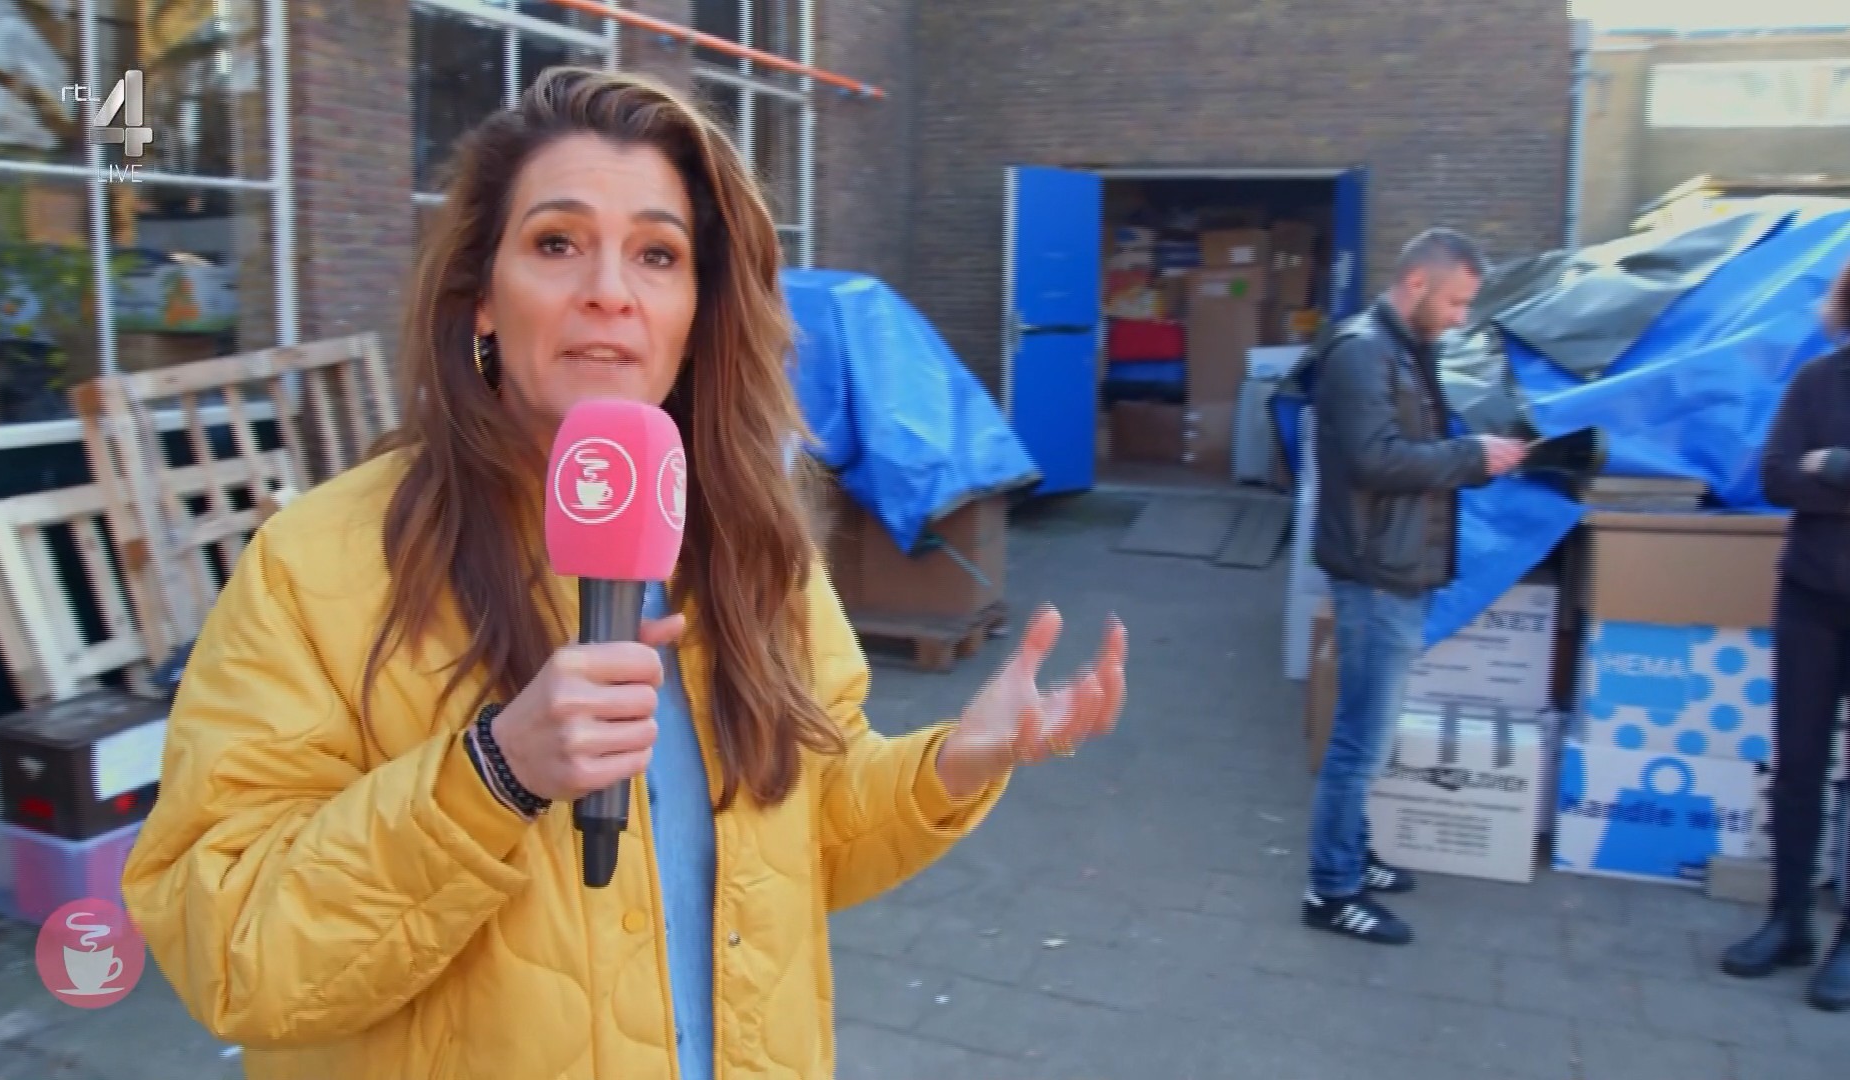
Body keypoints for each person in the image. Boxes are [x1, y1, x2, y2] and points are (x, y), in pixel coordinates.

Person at [121, 67, 1128, 1079]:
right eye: (556, 243)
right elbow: (233, 953)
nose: (610, 290)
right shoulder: (314, 567)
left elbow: (809, 833)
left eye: (657, 254)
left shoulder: (752, 546)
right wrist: (493, 775)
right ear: (481, 299)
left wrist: (954, 765)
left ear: (695, 311)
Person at [1301, 228, 1526, 945]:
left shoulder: (1404, 349)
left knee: (1368, 730)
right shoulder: (1361, 351)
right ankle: (1331, 890)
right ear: (1418, 283)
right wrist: (1470, 456)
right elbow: (1376, 460)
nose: (1462, 317)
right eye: (1456, 302)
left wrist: (1478, 451)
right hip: (1376, 574)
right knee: (1360, 742)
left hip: (1399, 568)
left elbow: (1410, 452)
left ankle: (1352, 854)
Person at [1721, 256, 1850, 1012]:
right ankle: (1789, 919)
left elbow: (1807, 475)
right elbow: (1774, 478)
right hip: (1809, 596)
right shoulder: (1816, 382)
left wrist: (1833, 465)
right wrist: (1815, 474)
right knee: (1798, 766)